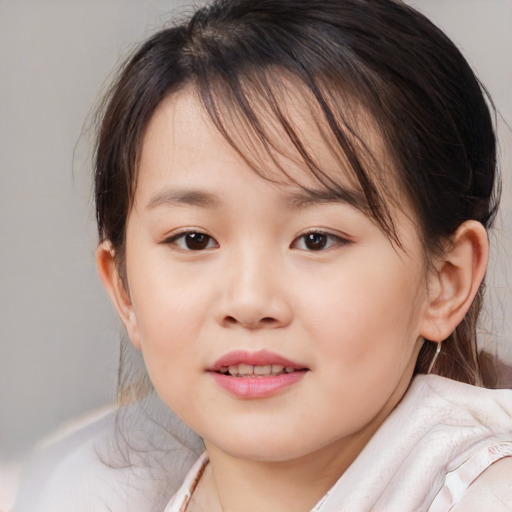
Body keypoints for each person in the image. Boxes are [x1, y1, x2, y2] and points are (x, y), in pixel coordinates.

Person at [13, 0, 512, 511]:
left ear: (446, 281)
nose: (249, 302)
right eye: (194, 240)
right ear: (123, 288)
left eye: (316, 239)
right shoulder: (71, 490)